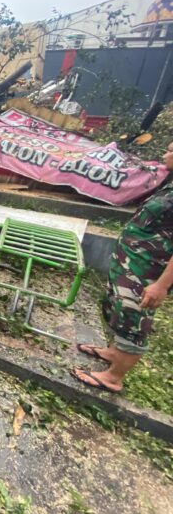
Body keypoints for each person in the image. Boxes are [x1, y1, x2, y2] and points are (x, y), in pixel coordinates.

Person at [72, 142, 173, 394]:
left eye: (171, 150)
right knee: (118, 307)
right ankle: (113, 352)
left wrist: (161, 285)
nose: (165, 154)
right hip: (132, 264)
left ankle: (113, 377)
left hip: (149, 270)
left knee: (133, 318)